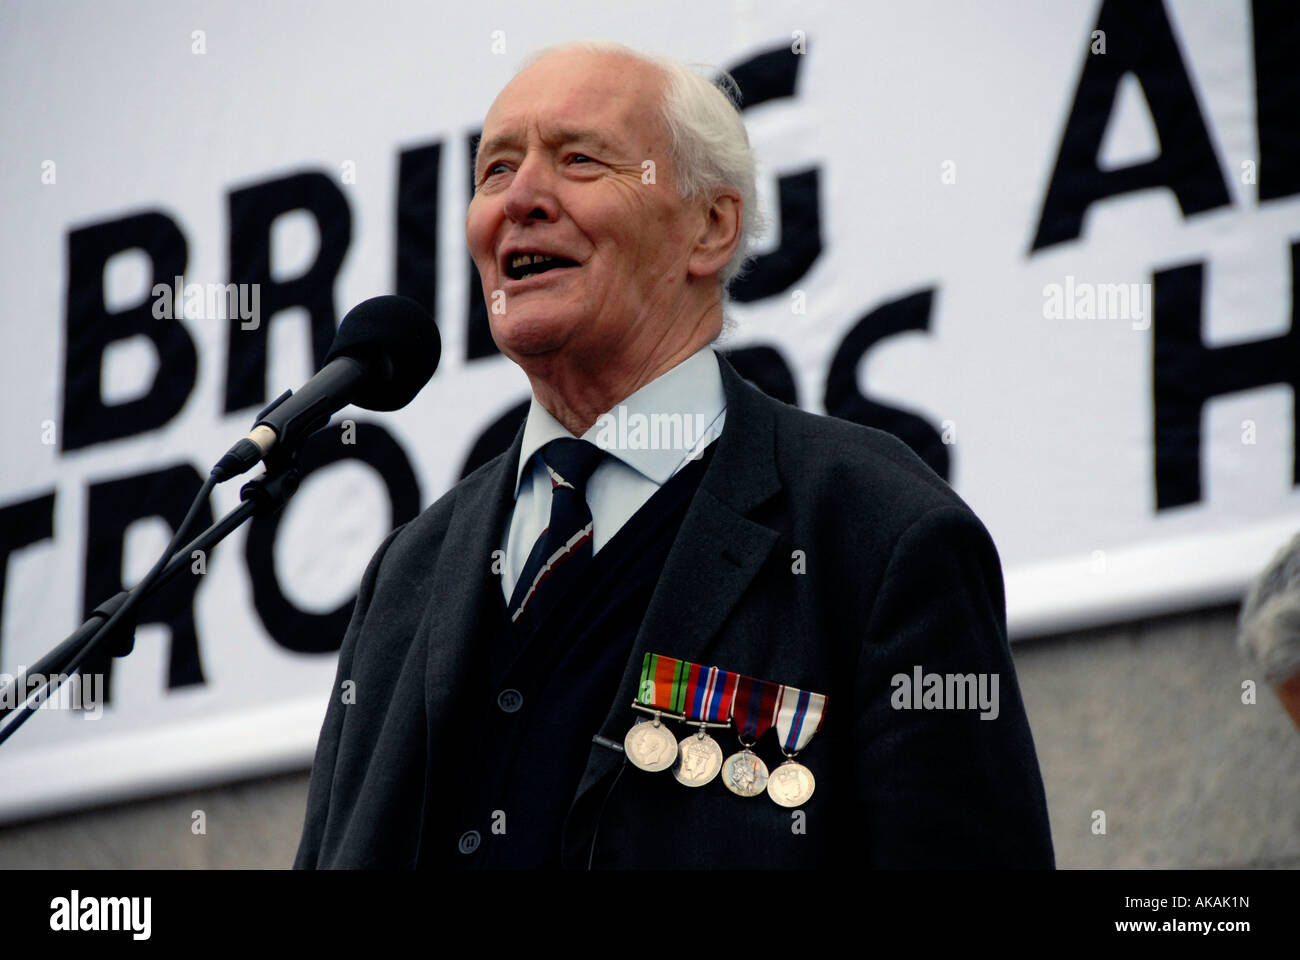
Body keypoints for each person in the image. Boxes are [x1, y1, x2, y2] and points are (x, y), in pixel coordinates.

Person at [294, 40, 1055, 869]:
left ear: (709, 227)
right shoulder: (407, 574)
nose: (522, 199)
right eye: (494, 170)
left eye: (580, 160)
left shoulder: (875, 530)